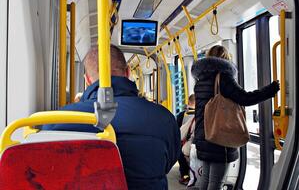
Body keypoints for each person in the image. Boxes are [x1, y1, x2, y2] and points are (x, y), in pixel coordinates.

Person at [43, 45, 180, 190]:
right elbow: (168, 162)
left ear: (87, 80)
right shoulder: (163, 118)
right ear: (127, 72)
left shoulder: (56, 121)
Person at [190, 45, 280, 190]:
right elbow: (244, 98)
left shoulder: (200, 80)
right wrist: (270, 90)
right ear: (225, 59)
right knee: (216, 183)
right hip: (219, 137)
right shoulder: (223, 77)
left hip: (203, 136)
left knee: (205, 180)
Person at [176, 94, 195, 185]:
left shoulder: (181, 115)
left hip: (184, 145)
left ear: (188, 103)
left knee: (180, 152)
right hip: (198, 145)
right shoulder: (203, 115)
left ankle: (185, 176)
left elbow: (177, 132)